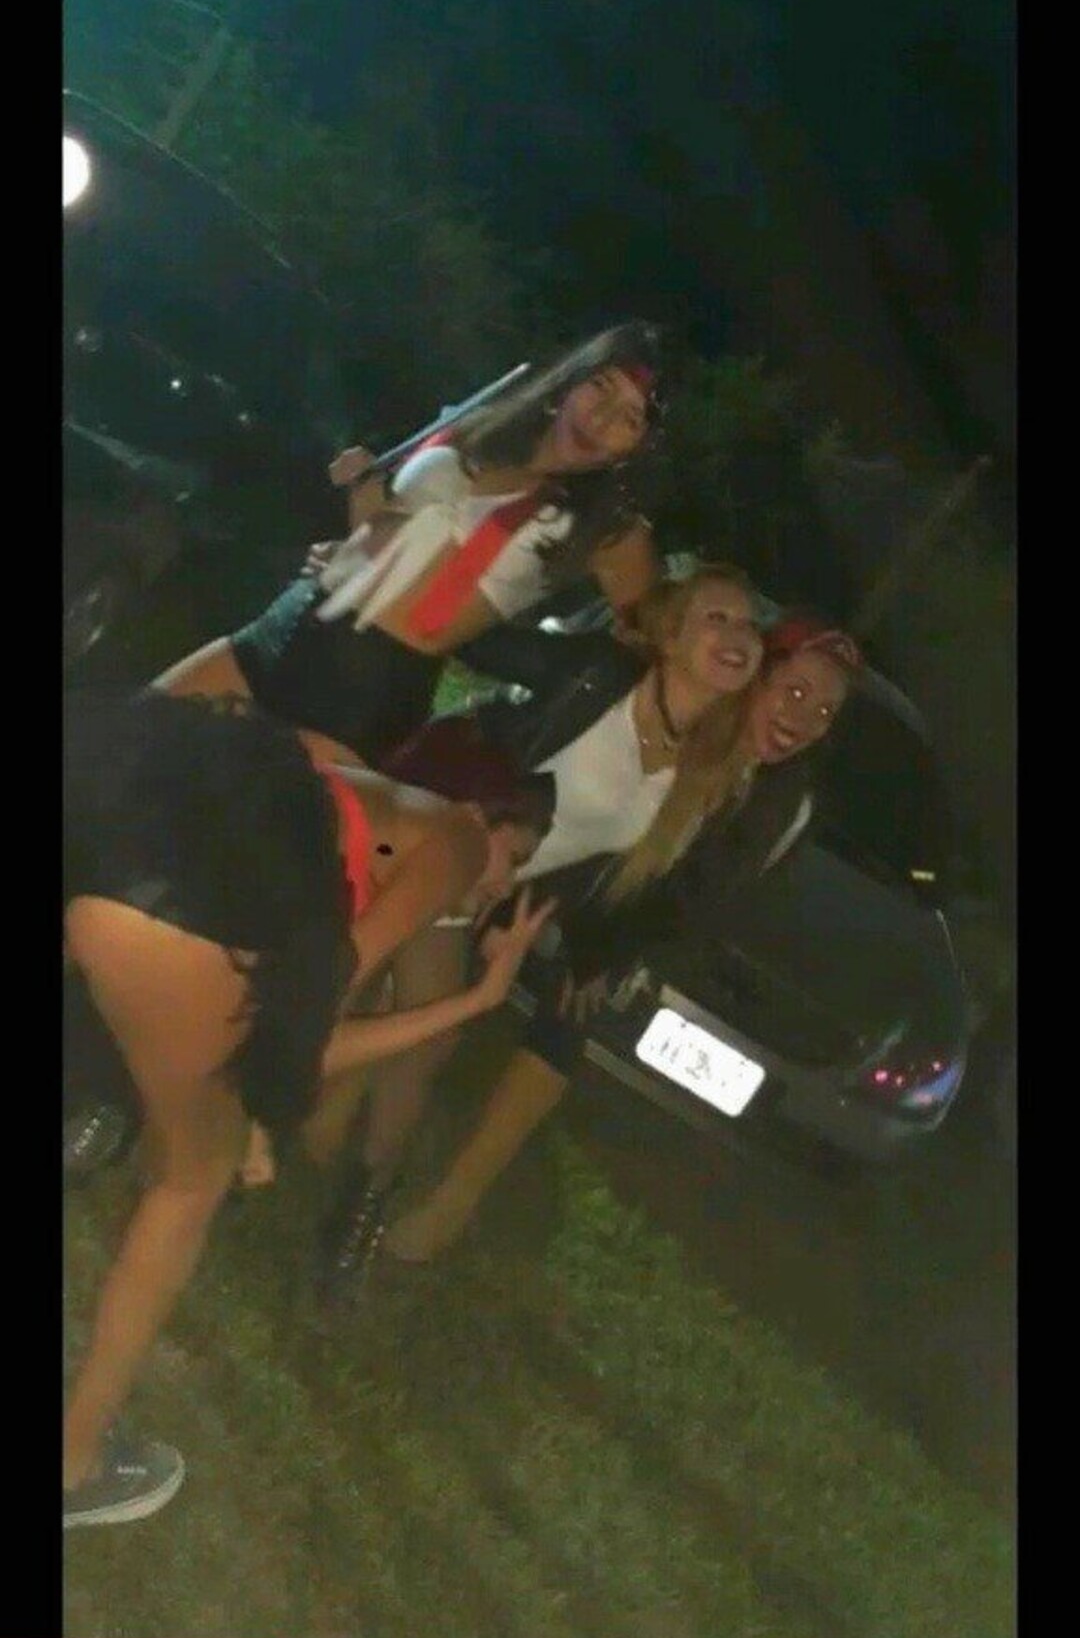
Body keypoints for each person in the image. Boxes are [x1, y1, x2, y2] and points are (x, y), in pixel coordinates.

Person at [62, 690, 554, 1530]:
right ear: (483, 812)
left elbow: (273, 1016)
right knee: (191, 1182)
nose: (502, 886)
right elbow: (311, 1013)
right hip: (165, 903)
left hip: (99, 814)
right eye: (518, 857)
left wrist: (256, 1111)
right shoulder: (457, 838)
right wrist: (475, 1002)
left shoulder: (332, 798)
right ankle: (73, 1462)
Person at [311, 563, 775, 1293]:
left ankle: (360, 1203)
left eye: (748, 625)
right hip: (428, 838)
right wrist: (383, 570)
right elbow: (484, 639)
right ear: (670, 635)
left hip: (480, 891)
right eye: (716, 617)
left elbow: (632, 886)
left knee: (427, 1035)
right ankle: (223, 1116)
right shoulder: (597, 677)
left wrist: (566, 943)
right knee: (344, 983)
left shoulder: (706, 775)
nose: (738, 633)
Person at [375, 617, 862, 1269]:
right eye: (794, 691)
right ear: (756, 674)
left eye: (824, 712)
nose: (801, 719)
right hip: (548, 858)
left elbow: (694, 900)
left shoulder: (783, 806)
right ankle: (363, 1114)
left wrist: (602, 951)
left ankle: (453, 1201)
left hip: (618, 916)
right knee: (439, 968)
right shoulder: (688, 712)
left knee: (570, 1019)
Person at [154, 321, 669, 765]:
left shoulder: (607, 531)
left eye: (629, 417)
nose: (600, 418)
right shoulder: (475, 424)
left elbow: (656, 644)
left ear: (639, 447)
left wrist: (531, 663)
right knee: (126, 746)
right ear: (570, 379)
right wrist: (361, 497)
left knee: (206, 834)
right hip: (286, 627)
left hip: (363, 697)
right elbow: (378, 535)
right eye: (599, 385)